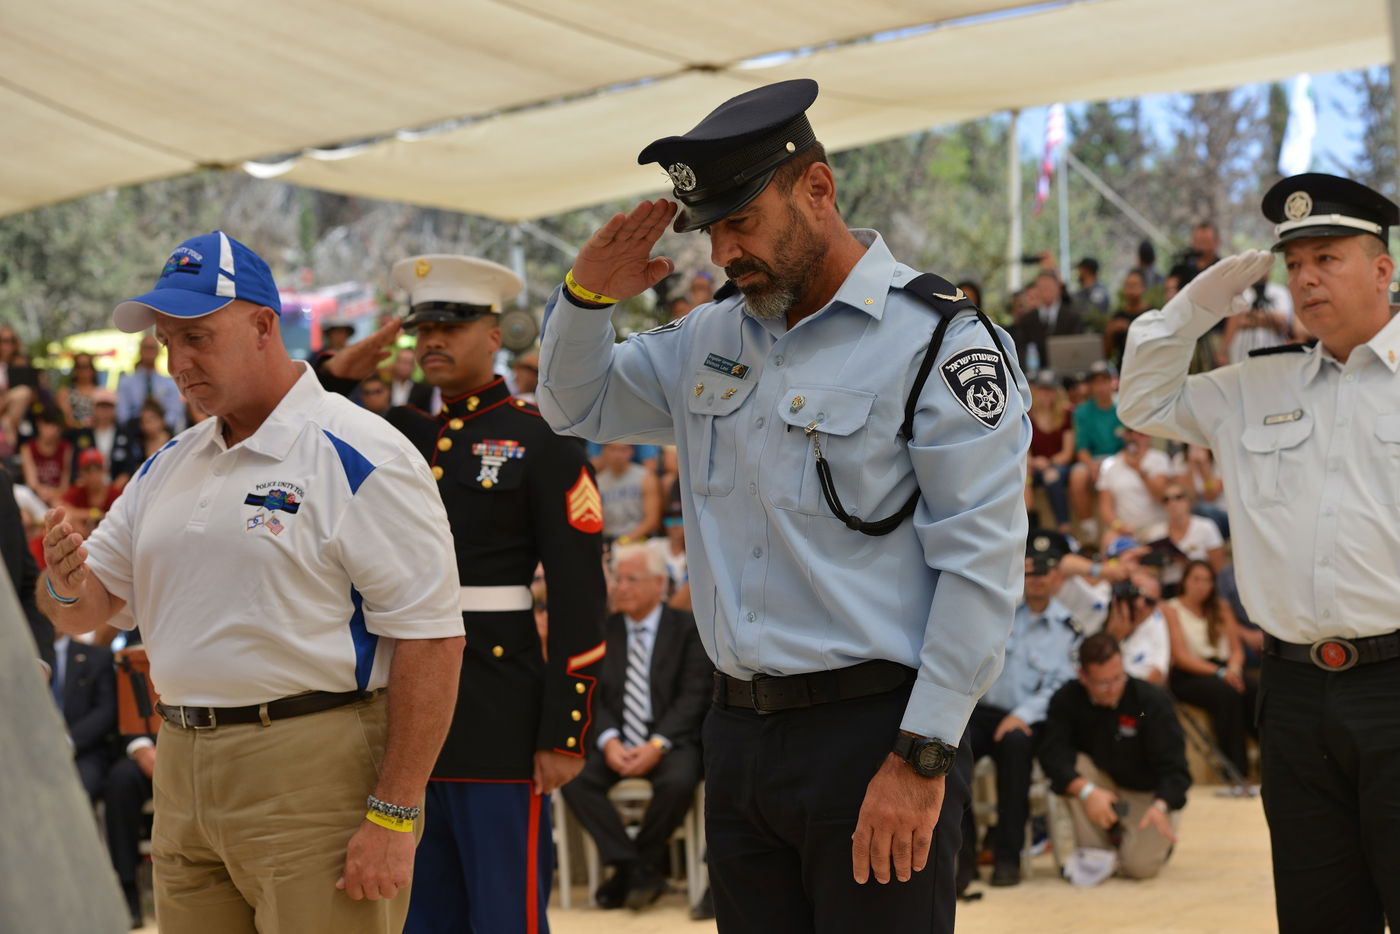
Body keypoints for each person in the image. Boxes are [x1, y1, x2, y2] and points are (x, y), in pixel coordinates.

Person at [536, 78, 1030, 933]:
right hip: (737, 739)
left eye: (742, 221)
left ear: (817, 190)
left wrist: (922, 756)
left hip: (875, 734)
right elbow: (572, 405)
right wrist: (586, 299)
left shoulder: (938, 344)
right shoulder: (710, 337)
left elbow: (981, 570)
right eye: (712, 230)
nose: (724, 252)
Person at [37, 230, 465, 934]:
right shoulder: (169, 462)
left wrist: (394, 814)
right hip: (182, 767)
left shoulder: (360, 453)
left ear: (264, 325)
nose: (178, 363)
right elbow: (91, 609)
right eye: (170, 342)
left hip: (312, 770)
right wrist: (60, 582)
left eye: (197, 337)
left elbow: (433, 640)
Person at [1119, 172, 1400, 933]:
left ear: (1384, 268)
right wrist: (1190, 311)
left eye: (1328, 258)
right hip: (1294, 694)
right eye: (1295, 263)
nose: (1306, 277)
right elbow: (1140, 400)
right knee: (1317, 914)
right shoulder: (1251, 387)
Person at [324, 252, 608, 934]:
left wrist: (565, 730)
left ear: (496, 333)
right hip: (402, 708)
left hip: (498, 708)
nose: (432, 342)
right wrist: (346, 365)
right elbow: (300, 410)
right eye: (422, 328)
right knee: (418, 916)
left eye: (450, 325)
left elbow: (578, 593)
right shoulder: (397, 435)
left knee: (504, 913)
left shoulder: (543, 442)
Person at [562, 544, 710, 910]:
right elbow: (593, 695)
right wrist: (609, 740)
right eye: (618, 578)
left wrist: (657, 744)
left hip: (670, 742)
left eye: (632, 579)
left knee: (678, 780)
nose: (620, 587)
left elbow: (694, 696)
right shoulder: (603, 630)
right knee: (573, 776)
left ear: (659, 583)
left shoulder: (688, 629)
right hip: (615, 740)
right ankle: (634, 867)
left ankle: (637, 867)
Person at [960, 532, 1081, 888]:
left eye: (1044, 573)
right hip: (986, 712)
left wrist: (1021, 716)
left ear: (1057, 578)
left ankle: (1007, 857)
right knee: (950, 748)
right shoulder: (1002, 615)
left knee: (1014, 749)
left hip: (1030, 719)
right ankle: (960, 862)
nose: (1037, 580)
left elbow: (1061, 687)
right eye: (1030, 572)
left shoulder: (1067, 628)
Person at [1039, 633, 1190, 882]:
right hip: (1100, 790)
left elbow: (1176, 768)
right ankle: (1098, 851)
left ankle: (1142, 840)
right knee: (1076, 766)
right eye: (1103, 683)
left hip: (1145, 798)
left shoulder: (1150, 702)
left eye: (1118, 678)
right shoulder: (1067, 699)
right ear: (1083, 677)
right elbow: (1052, 755)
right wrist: (1088, 791)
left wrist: (1162, 804)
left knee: (1140, 868)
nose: (1113, 689)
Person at [1161, 560, 1256, 782]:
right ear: (1185, 581)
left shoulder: (1221, 606)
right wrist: (1220, 673)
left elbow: (1236, 649)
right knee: (1226, 694)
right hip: (1190, 673)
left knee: (1255, 690)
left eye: (1207, 580)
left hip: (1225, 668)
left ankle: (1266, 758)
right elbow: (1181, 657)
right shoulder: (1170, 608)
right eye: (1196, 579)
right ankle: (1235, 770)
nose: (1202, 585)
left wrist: (1233, 668)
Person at [1095, 428, 1174, 547]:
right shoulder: (1111, 465)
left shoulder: (1160, 459)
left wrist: (1138, 469)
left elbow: (1160, 496)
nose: (1135, 437)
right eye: (1130, 432)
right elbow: (1105, 506)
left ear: (1149, 437)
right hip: (1124, 529)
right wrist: (1118, 526)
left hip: (1156, 525)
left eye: (1141, 434)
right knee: (1108, 541)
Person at [1025, 370, 1075, 532]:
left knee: (1053, 478)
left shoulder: (1066, 414)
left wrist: (1049, 464)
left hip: (1058, 465)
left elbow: (1067, 453)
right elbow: (1025, 451)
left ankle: (1064, 527)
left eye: (1050, 390)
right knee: (1025, 477)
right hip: (1035, 465)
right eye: (1042, 390)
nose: (1046, 394)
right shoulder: (1027, 415)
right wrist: (1036, 463)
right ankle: (1028, 531)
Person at [1104, 570, 1168, 685]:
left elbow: (1159, 671)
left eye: (1149, 601)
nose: (1140, 604)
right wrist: (1113, 639)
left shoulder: (1155, 620)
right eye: (1136, 594)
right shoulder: (1099, 613)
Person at [115, 333, 184, 433]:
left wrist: (158, 427)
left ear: (158, 352)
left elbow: (174, 412)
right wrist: (142, 426)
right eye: (146, 348)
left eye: (152, 348)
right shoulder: (126, 383)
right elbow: (122, 414)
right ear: (140, 350)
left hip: (163, 435)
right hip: (134, 434)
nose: (149, 352)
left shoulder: (169, 384)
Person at [596, 442, 661, 543]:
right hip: (608, 540)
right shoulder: (597, 482)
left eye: (623, 450)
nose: (617, 455)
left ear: (632, 451)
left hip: (640, 539)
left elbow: (652, 520)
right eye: (612, 449)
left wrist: (624, 540)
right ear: (603, 450)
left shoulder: (646, 477)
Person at [20, 405, 72, 507]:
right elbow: (32, 482)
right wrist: (42, 492)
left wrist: (53, 494)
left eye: (54, 426)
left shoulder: (66, 448)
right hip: (34, 497)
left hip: (58, 497)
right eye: (46, 425)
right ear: (39, 425)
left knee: (59, 506)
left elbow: (65, 482)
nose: (50, 430)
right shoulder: (27, 448)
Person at [58, 352, 103, 429]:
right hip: (73, 434)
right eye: (79, 366)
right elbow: (68, 420)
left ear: (92, 369)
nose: (82, 371)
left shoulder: (102, 393)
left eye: (86, 366)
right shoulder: (64, 392)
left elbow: (104, 420)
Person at [1073, 257, 1110, 325]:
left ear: (1086, 271)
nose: (1077, 273)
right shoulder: (1080, 292)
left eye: (1079, 269)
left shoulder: (1099, 292)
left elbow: (1091, 315)